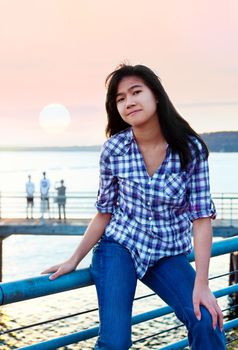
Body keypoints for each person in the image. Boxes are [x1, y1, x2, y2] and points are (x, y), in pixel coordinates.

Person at [42, 64, 226, 349]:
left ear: (156, 96)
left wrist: (202, 284)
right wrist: (74, 259)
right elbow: (104, 211)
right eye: (120, 98)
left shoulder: (190, 150)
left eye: (136, 92)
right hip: (120, 246)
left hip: (167, 252)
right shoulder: (114, 150)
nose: (129, 102)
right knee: (115, 342)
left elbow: (201, 219)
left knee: (207, 320)